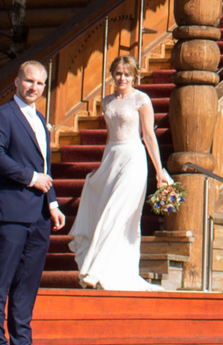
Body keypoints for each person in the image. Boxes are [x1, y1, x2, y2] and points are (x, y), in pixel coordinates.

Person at [0, 60, 65, 345]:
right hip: (11, 211)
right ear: (17, 82)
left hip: (39, 215)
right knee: (1, 280)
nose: (34, 87)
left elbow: (45, 168)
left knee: (27, 283)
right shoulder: (3, 116)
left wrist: (53, 204)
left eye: (40, 83)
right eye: (29, 81)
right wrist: (30, 178)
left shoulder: (41, 118)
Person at [69, 53, 170, 290]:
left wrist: (159, 170)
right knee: (106, 210)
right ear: (113, 75)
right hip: (112, 158)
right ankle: (107, 270)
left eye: (127, 74)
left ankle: (100, 270)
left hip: (134, 159)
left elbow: (148, 135)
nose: (122, 78)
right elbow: (108, 137)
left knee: (119, 213)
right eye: (118, 73)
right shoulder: (107, 102)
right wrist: (102, 168)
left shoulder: (141, 99)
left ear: (134, 76)